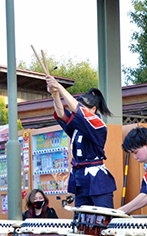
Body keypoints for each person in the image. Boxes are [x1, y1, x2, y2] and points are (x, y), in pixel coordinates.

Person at [46, 76, 117, 208]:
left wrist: (60, 86)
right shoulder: (77, 127)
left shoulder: (99, 125)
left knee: (103, 218)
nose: (76, 112)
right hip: (80, 177)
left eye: (82, 109)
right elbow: (62, 114)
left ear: (93, 109)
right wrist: (55, 94)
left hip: (97, 178)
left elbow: (78, 110)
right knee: (80, 220)